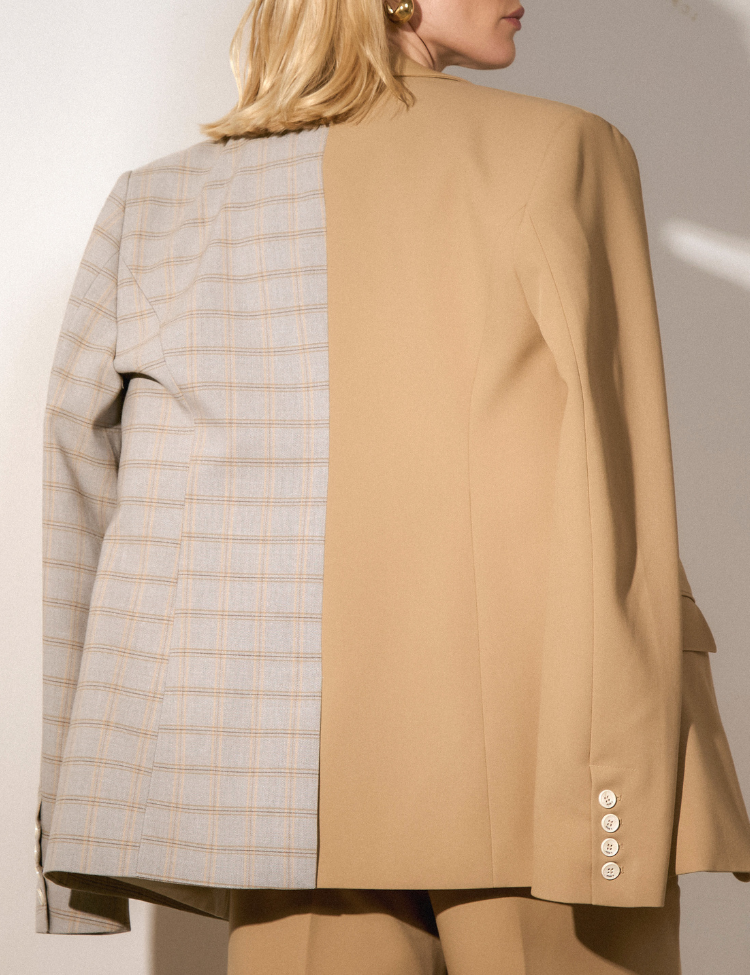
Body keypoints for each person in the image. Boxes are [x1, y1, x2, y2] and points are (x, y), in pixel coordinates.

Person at [35, 0, 750, 972]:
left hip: (273, 797)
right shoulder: (561, 151)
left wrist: (82, 820)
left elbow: (82, 503)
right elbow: (616, 488)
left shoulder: (156, 204)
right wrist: (614, 802)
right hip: (537, 772)